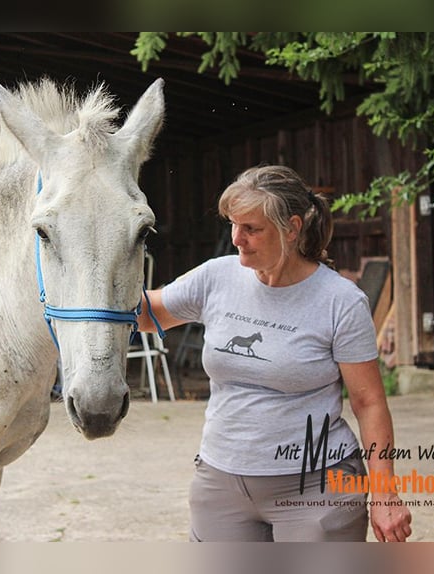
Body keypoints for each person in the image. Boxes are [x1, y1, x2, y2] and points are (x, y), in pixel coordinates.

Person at [138, 164, 412, 542]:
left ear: (292, 228)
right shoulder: (217, 277)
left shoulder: (341, 301)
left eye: (251, 228)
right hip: (221, 482)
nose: (237, 238)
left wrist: (384, 493)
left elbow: (369, 402)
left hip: (318, 486)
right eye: (233, 225)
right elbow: (147, 314)